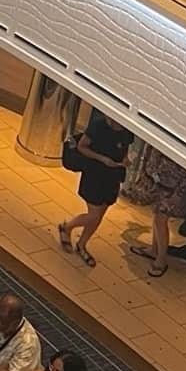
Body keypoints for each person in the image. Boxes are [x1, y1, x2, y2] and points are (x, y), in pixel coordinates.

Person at [57, 110, 129, 267]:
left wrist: (124, 160)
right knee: (94, 215)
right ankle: (67, 227)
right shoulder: (99, 125)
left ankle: (82, 244)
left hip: (113, 176)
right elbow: (82, 147)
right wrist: (103, 159)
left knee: (100, 214)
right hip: (95, 173)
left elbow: (124, 150)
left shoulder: (127, 130)